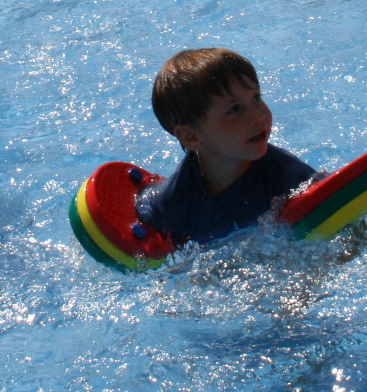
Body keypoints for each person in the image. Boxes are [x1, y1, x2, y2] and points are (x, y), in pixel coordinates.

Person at [133, 48, 314, 246]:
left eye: (256, 98)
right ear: (191, 136)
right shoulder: (172, 203)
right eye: (234, 109)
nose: (259, 116)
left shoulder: (288, 176)